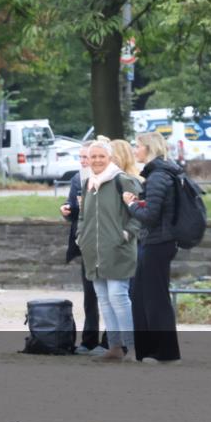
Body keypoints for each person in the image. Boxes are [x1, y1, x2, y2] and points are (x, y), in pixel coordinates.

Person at [76, 140, 142, 363]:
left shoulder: (123, 181)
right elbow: (83, 216)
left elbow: (140, 213)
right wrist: (80, 237)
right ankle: (114, 347)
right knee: (103, 299)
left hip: (118, 251)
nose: (96, 160)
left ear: (110, 158)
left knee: (118, 297)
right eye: (92, 156)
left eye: (101, 156)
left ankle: (132, 349)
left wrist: (125, 235)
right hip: (93, 252)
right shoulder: (87, 184)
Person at [123, 131, 183, 364]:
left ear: (148, 148)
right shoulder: (160, 174)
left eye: (137, 146)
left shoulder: (158, 176)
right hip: (155, 241)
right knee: (141, 295)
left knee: (155, 298)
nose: (134, 150)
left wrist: (131, 205)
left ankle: (165, 353)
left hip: (158, 242)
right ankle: (148, 350)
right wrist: (139, 203)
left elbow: (150, 216)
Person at [60, 141, 108, 354]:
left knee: (110, 294)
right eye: (80, 157)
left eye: (85, 157)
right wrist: (67, 210)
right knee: (90, 295)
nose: (82, 161)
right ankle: (89, 339)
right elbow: (73, 210)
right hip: (85, 243)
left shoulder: (111, 179)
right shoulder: (77, 179)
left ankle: (110, 340)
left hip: (107, 243)